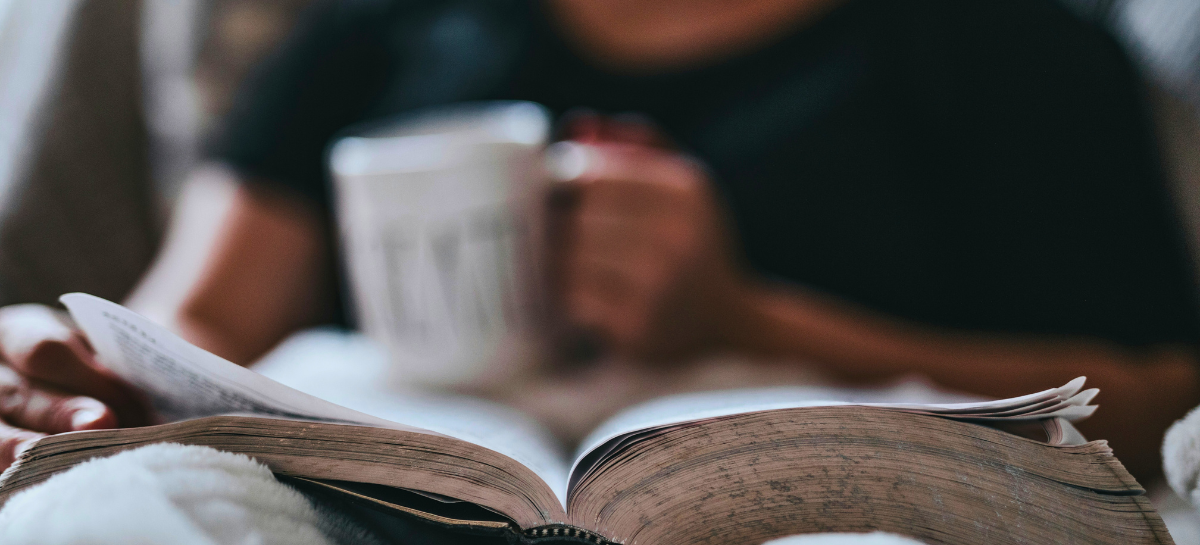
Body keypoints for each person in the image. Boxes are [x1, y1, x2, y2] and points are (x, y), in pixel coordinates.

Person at [0, 0, 1197, 482]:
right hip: (380, 511)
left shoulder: (1002, 43)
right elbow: (186, 321)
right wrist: (47, 363)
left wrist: (744, 322)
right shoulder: (366, 36)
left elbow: (1162, 404)